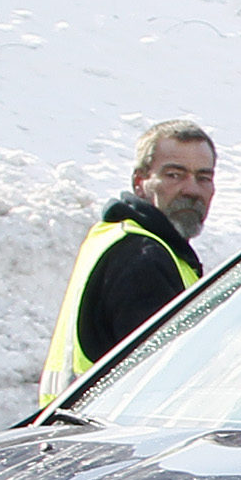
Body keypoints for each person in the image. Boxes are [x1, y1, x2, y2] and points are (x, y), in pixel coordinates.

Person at [40, 121, 216, 404]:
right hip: (113, 438)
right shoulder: (143, 258)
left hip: (84, 432)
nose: (191, 190)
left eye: (203, 177)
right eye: (174, 175)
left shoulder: (117, 235)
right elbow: (168, 387)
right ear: (140, 182)